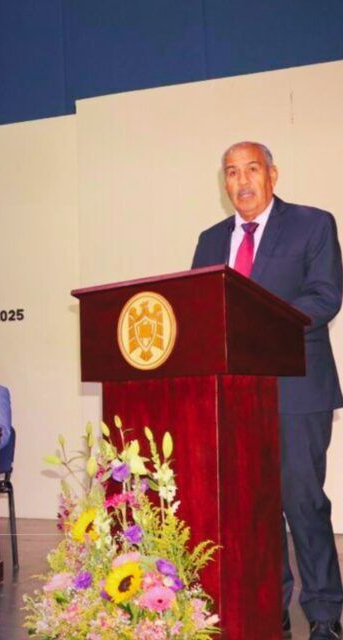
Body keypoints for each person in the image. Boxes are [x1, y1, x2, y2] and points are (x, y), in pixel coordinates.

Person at [192, 141, 342, 640]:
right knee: (253, 506)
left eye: (251, 169)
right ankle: (266, 603)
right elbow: (201, 308)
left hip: (297, 388)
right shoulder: (211, 240)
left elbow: (324, 297)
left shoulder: (313, 223)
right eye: (231, 172)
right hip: (236, 396)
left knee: (301, 500)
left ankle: (323, 611)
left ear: (272, 175)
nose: (242, 180)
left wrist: (258, 324)